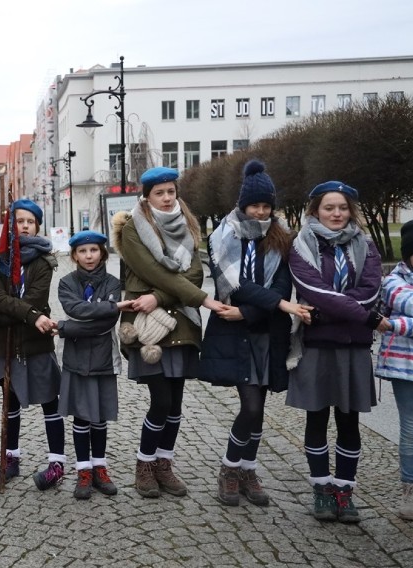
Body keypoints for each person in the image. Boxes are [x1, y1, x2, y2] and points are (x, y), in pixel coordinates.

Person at [199, 161, 312, 506]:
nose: (260, 211)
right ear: (242, 205)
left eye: (266, 205)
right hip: (233, 334)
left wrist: (251, 310)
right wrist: (275, 304)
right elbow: (236, 285)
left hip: (265, 331)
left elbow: (280, 285)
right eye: (254, 205)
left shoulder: (282, 239)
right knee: (249, 405)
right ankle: (229, 469)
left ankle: (247, 470)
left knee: (259, 407)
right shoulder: (221, 237)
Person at [113, 167, 227, 498]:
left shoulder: (188, 225)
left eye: (171, 191)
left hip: (180, 321)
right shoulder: (133, 228)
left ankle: (164, 464)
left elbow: (192, 275)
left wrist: (161, 297)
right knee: (160, 400)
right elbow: (154, 272)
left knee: (175, 403)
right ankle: (144, 464)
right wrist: (202, 300)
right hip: (147, 325)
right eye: (159, 192)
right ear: (146, 197)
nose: (166, 198)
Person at [287, 181, 386, 523]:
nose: (337, 213)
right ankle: (321, 490)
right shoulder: (301, 246)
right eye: (329, 207)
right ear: (316, 210)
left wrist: (334, 311)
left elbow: (370, 291)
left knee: (349, 421)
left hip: (353, 347)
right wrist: (365, 317)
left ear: (351, 211)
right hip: (317, 346)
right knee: (317, 418)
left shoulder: (367, 246)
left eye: (342, 207)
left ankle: (345, 491)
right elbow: (313, 289)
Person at [0, 199, 65, 489]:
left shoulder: (44, 260)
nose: (24, 226)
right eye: (19, 222)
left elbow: (34, 301)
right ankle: (10, 458)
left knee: (50, 402)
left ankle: (56, 462)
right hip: (7, 345)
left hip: (35, 344)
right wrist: (20, 314)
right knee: (10, 402)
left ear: (38, 225)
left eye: (30, 221)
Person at [57, 230, 134, 499]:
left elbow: (105, 323)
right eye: (82, 251)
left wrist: (67, 328)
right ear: (74, 255)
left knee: (99, 416)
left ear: (102, 252)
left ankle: (100, 468)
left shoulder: (113, 282)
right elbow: (76, 309)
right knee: (80, 415)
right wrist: (111, 307)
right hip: (76, 359)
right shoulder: (66, 283)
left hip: (102, 357)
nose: (89, 256)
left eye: (93, 250)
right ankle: (83, 470)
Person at [376, 219, 413, 521]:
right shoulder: (393, 281)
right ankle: (411, 489)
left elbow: (403, 318)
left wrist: (397, 324)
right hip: (407, 369)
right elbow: (411, 304)